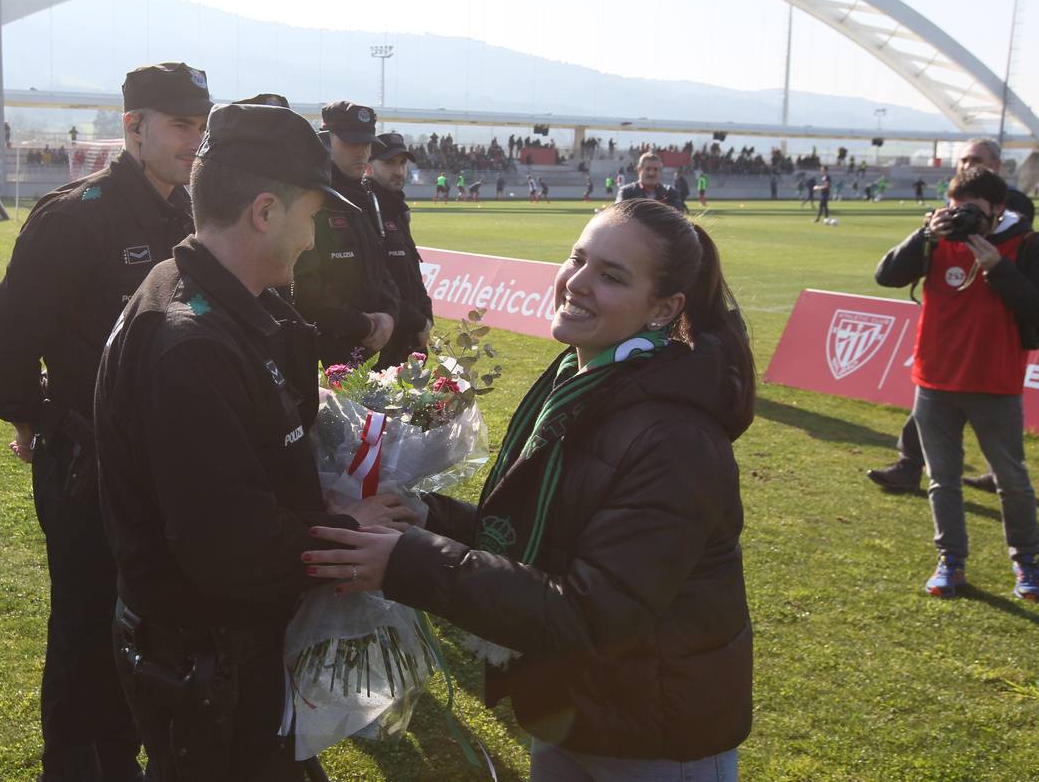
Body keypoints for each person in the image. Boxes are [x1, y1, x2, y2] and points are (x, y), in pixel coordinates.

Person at [305, 198, 756, 780]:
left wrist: (408, 561)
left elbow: (593, 608)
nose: (579, 282)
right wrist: (427, 517)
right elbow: (546, 535)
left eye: (613, 276)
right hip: (580, 709)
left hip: (654, 736)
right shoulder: (584, 379)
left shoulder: (673, 437)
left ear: (665, 309)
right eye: (579, 258)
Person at [95, 102, 415, 781]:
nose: (310, 240)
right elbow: (232, 550)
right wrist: (344, 529)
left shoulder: (227, 303)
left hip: (227, 657)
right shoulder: (189, 346)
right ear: (264, 212)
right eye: (308, 218)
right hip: (207, 667)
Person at [0, 62, 212, 779]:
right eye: (179, 125)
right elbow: (6, 349)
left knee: (150, 618)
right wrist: (36, 421)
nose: (192, 141)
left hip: (163, 468)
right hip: (87, 468)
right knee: (85, 629)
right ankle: (78, 765)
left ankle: (126, 755)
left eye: (200, 125)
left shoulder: (190, 216)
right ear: (132, 127)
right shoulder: (75, 217)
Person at [874, 167, 1039, 601]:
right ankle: (950, 563)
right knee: (942, 480)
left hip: (996, 382)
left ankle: (1027, 564)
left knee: (1012, 480)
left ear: (998, 209)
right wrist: (925, 234)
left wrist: (998, 269)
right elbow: (886, 275)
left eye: (973, 210)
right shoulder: (937, 241)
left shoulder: (1030, 244)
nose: (964, 218)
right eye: (957, 208)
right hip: (934, 381)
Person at [868, 138, 1036, 494]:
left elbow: (1025, 275)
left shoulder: (1016, 208)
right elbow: (890, 274)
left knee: (994, 425)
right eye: (963, 160)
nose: (967, 165)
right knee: (932, 406)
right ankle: (909, 464)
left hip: (992, 335)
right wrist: (928, 233)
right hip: (944, 332)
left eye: (976, 159)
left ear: (997, 166)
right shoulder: (949, 208)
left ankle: (1002, 487)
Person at [291, 100, 400, 369]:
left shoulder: (367, 198)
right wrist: (365, 324)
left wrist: (390, 315)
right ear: (327, 141)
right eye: (351, 143)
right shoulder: (313, 199)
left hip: (373, 350)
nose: (361, 152)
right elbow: (305, 286)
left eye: (366, 144)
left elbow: (382, 268)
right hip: (328, 355)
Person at [368, 131, 433, 367]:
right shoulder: (367, 210)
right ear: (368, 166)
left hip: (411, 336)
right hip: (386, 338)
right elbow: (378, 285)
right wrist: (418, 322)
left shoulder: (397, 209)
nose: (398, 171)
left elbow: (411, 275)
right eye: (388, 163)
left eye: (402, 163)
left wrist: (426, 318)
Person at [618, 151, 683, 211]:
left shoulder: (670, 192)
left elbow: (677, 219)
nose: (651, 173)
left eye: (655, 169)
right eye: (648, 169)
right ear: (639, 169)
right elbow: (617, 217)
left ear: (660, 171)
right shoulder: (627, 193)